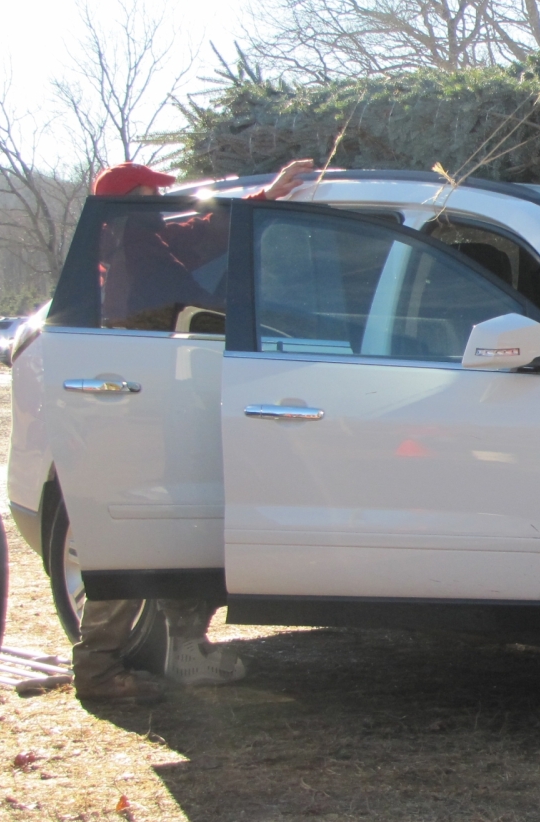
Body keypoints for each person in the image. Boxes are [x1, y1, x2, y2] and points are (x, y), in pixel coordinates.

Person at [72, 158, 317, 702]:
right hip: (137, 420)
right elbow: (196, 277)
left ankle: (179, 649)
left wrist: (265, 199)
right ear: (130, 204)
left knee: (167, 530)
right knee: (137, 541)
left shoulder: (136, 243)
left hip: (151, 412)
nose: (163, 203)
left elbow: (199, 232)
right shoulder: (138, 255)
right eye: (150, 194)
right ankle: (99, 669)